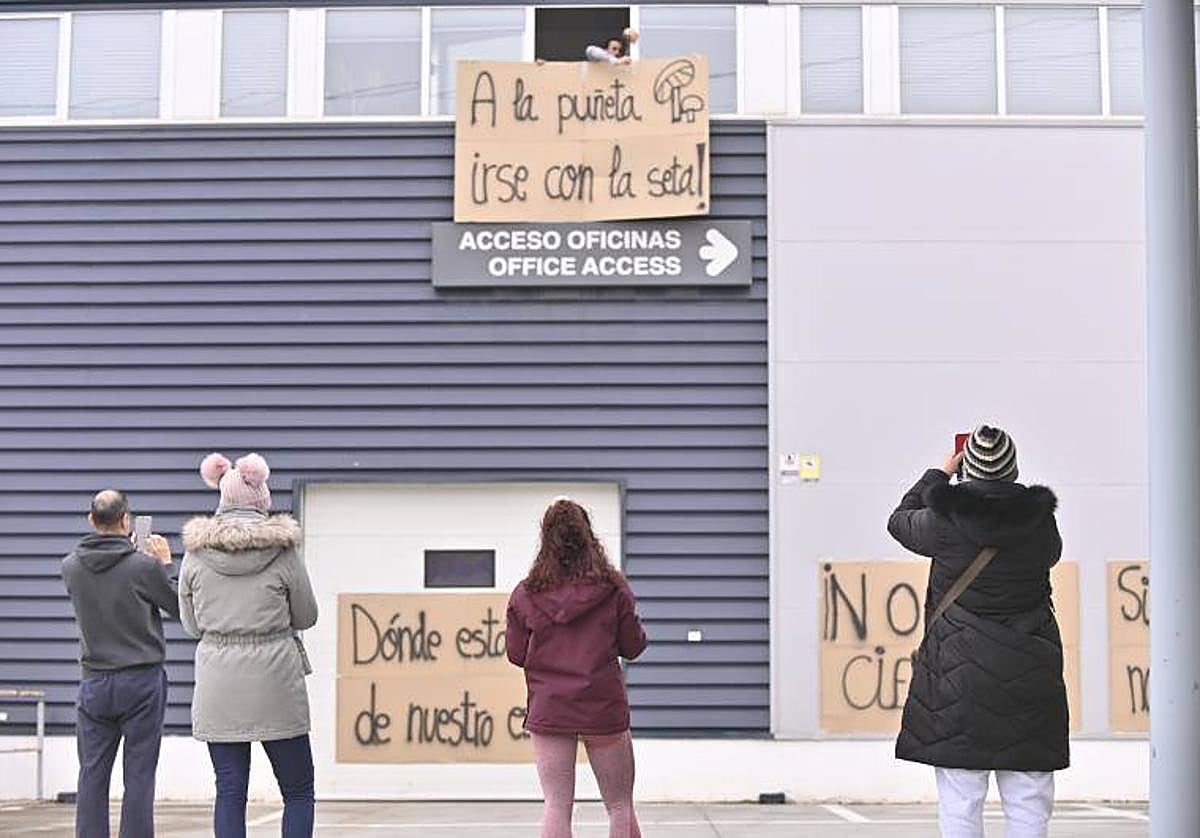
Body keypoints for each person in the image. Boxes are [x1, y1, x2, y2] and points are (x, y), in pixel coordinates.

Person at [887, 425, 1068, 838]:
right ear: (1013, 470)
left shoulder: (943, 524)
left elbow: (898, 522)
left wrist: (938, 475)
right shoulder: (1042, 527)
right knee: (1028, 800)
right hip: (1030, 678)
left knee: (961, 801)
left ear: (967, 469)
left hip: (958, 679)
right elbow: (1051, 556)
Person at [179, 453, 318, 838]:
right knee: (298, 791)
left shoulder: (195, 556)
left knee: (229, 791)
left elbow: (191, 624)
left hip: (218, 682)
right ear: (261, 497)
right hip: (276, 679)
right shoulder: (285, 553)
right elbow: (306, 616)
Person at [506, 498, 648, 838]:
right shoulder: (613, 590)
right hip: (603, 706)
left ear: (546, 540)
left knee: (556, 806)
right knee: (619, 806)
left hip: (551, 707)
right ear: (588, 537)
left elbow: (516, 654)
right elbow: (633, 646)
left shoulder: (526, 594)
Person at [62, 489, 178, 838]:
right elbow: (178, 606)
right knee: (140, 774)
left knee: (92, 773)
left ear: (91, 520)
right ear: (126, 520)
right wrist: (164, 565)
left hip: (94, 680)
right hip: (141, 679)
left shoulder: (70, 567)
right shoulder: (143, 566)